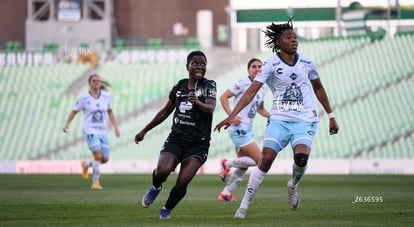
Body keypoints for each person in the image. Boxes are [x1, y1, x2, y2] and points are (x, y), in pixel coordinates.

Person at [214, 18, 339, 219]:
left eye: (295, 37)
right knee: (264, 161)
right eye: (289, 37)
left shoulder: (307, 62)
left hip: (304, 120)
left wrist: (331, 116)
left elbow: (318, 88)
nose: (294, 40)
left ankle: (293, 184)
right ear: (279, 42)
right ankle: (243, 207)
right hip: (279, 120)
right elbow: (251, 91)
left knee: (301, 158)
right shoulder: (270, 64)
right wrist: (232, 115)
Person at [134, 50, 217, 219]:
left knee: (183, 181)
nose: (200, 66)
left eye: (203, 64)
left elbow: (211, 108)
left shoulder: (209, 85)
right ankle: (155, 188)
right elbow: (165, 111)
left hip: (198, 144)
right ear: (187, 66)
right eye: (195, 63)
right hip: (176, 139)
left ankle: (166, 209)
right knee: (162, 171)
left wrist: (198, 102)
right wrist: (145, 130)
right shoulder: (179, 86)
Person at [218, 58, 270, 202]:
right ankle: (226, 163)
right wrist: (231, 116)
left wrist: (273, 116)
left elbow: (260, 109)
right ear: (248, 70)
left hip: (248, 129)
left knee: (243, 164)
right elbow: (223, 97)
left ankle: (226, 193)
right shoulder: (243, 83)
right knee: (260, 160)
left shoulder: (262, 88)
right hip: (238, 129)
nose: (257, 69)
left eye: (260, 66)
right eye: (254, 66)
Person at [63, 74, 120, 190]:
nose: (96, 83)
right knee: (98, 156)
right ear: (89, 83)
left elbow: (110, 111)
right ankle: (95, 182)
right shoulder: (83, 98)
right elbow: (74, 111)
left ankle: (86, 164)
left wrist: (115, 127)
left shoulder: (106, 96)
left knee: (105, 159)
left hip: (103, 130)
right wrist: (67, 124)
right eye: (94, 81)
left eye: (98, 81)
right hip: (90, 129)